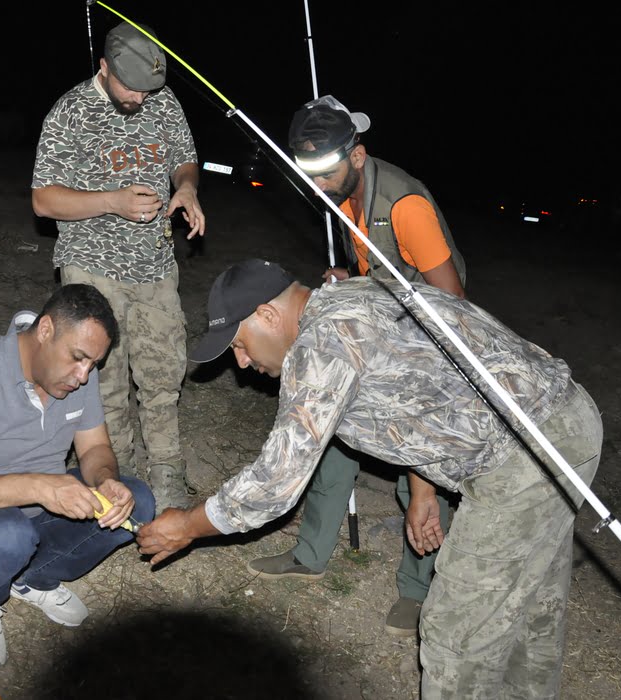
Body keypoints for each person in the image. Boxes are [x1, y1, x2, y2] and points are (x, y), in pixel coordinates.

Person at [137, 259, 603, 698]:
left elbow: (275, 481)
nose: (240, 362)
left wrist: (188, 526)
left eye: (239, 343)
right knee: (532, 605)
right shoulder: (355, 292)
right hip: (566, 423)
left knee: (455, 633)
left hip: (521, 458)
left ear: (267, 314)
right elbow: (424, 389)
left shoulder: (323, 341)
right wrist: (425, 487)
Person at [247, 96, 468, 636]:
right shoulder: (343, 197)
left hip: (429, 339)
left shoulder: (404, 206)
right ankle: (310, 554)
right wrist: (352, 281)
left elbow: (453, 306)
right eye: (309, 174)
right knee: (333, 440)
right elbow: (376, 271)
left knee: (417, 468)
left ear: (359, 155)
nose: (319, 185)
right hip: (379, 323)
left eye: (327, 171)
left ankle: (419, 588)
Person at [0, 284, 156, 667]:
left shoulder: (79, 377)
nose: (83, 375)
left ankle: (33, 578)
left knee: (137, 499)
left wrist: (106, 479)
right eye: (77, 358)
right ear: (45, 331)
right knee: (10, 534)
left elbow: (94, 450)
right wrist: (42, 486)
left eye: (93, 364)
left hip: (35, 514)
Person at [31, 21, 205, 512]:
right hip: (92, 268)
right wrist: (111, 201)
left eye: (149, 89)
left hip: (155, 266)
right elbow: (43, 200)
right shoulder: (70, 113)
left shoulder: (161, 99)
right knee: (102, 382)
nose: (141, 98)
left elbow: (184, 158)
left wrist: (186, 187)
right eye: (131, 87)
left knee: (162, 374)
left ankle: (168, 478)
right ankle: (117, 477)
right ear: (103, 68)